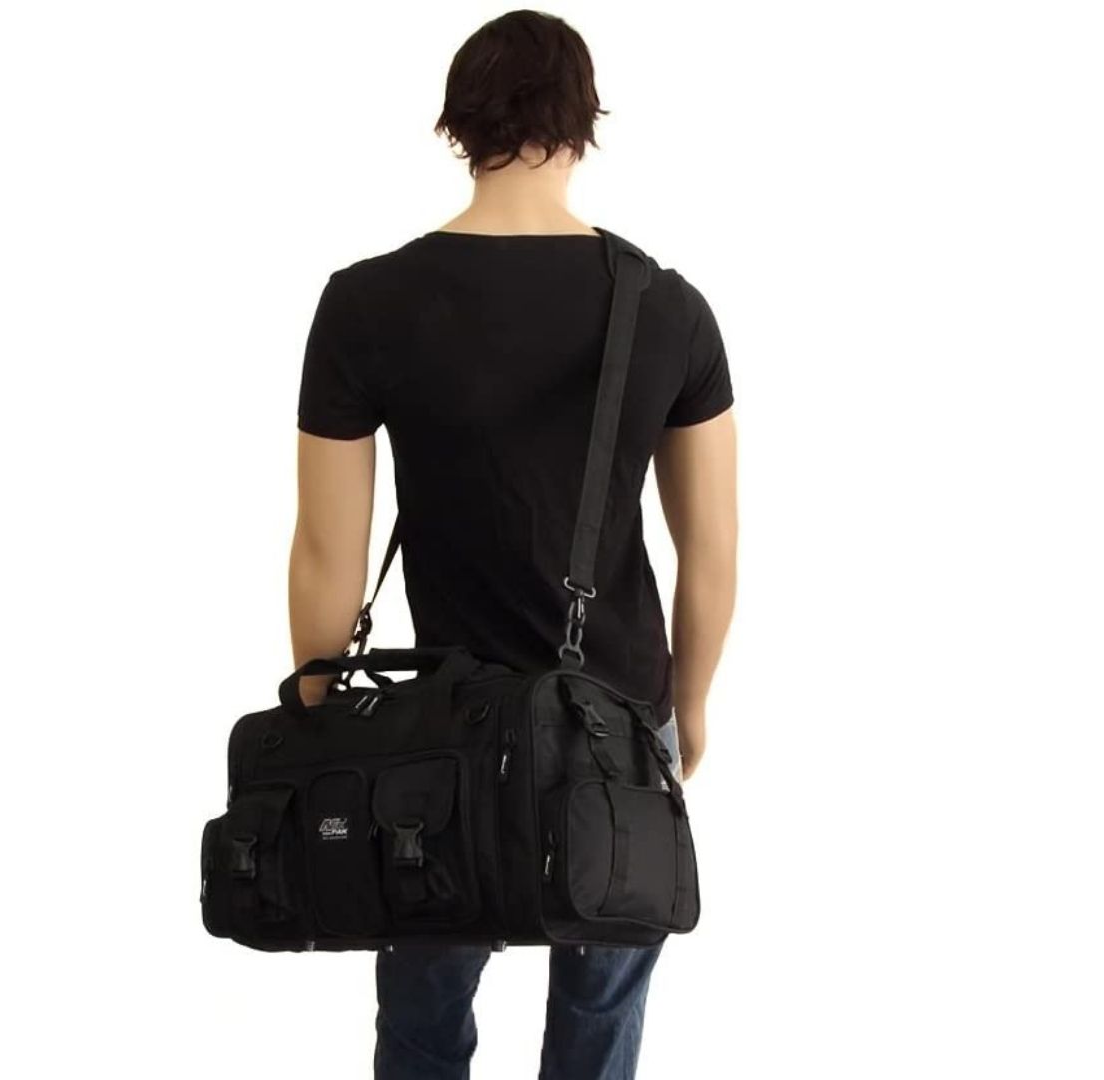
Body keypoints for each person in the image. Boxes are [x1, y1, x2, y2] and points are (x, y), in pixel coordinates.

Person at [285, 11, 737, 1079]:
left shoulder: (366, 303)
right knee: (600, 1014)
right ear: (583, 123)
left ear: (458, 124)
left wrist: (318, 704)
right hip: (618, 716)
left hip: (438, 729)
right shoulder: (668, 310)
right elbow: (712, 549)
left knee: (424, 1011)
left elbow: (326, 551)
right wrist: (691, 707)